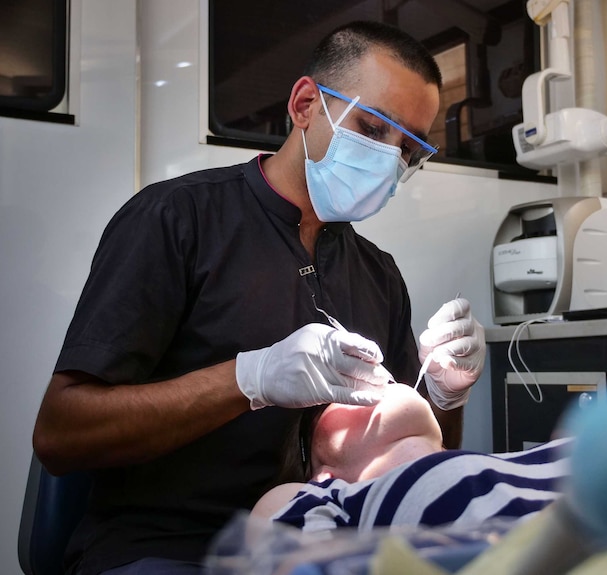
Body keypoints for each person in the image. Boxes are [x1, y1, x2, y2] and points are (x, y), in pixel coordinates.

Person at [32, 20, 486, 575]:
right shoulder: (177, 221)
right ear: (304, 105)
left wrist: (444, 395)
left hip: (321, 545)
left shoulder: (378, 274)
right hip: (167, 548)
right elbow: (60, 435)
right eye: (372, 128)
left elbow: (417, 460)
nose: (391, 160)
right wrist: (248, 379)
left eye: (410, 150)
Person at [251, 384, 568, 533]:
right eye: (342, 393)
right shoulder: (318, 499)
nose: (370, 381)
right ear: (323, 476)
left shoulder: (507, 466)